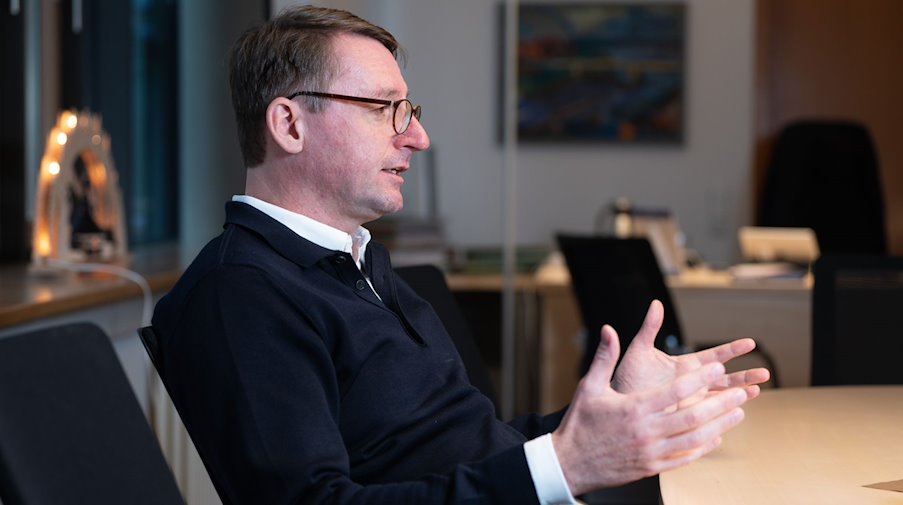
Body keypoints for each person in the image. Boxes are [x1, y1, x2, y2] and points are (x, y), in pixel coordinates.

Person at [151, 5, 770, 504]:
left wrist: (611, 409)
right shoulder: (241, 294)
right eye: (383, 109)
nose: (417, 136)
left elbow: (471, 446)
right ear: (289, 125)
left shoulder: (361, 264)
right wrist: (563, 466)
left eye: (410, 110)